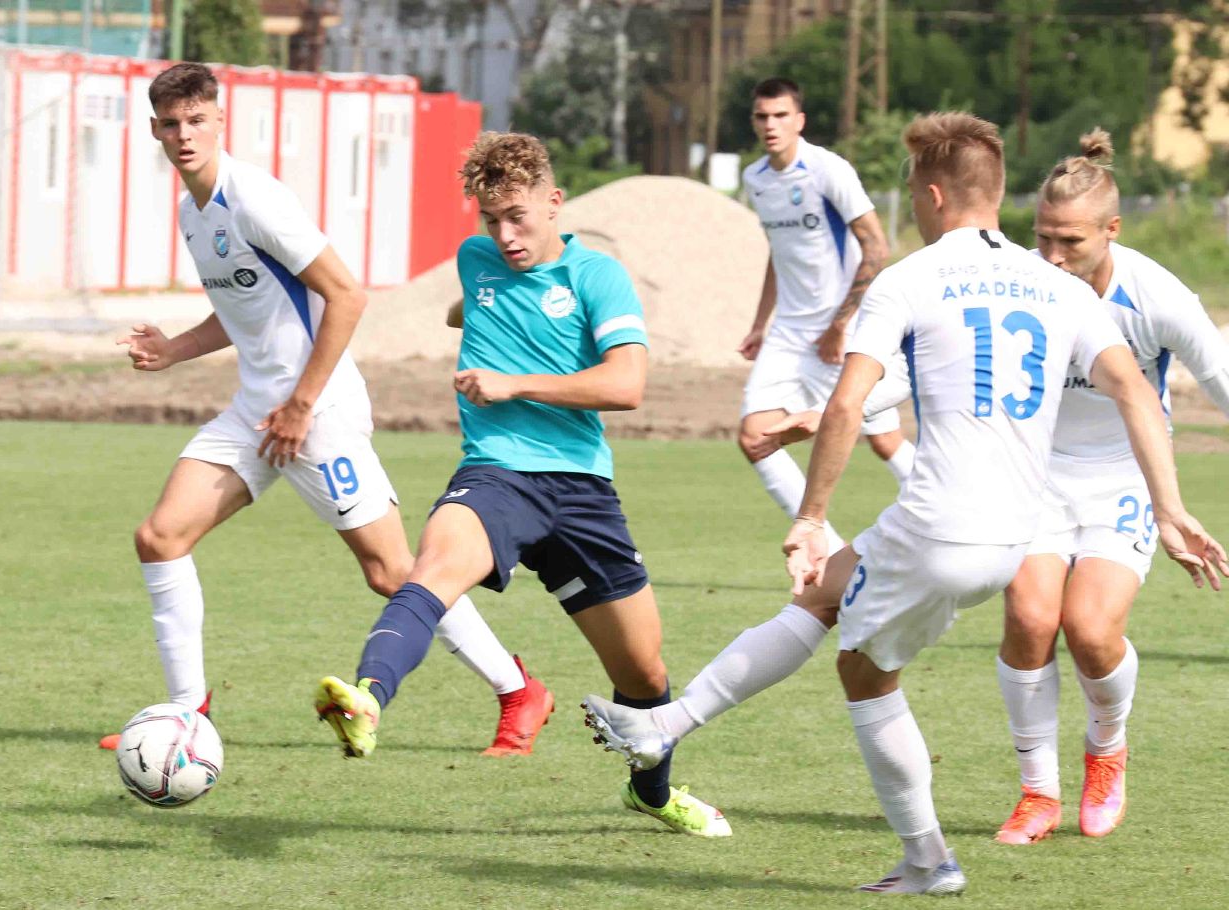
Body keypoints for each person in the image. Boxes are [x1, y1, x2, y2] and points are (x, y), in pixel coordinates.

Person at [586, 112, 1227, 892]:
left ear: (932, 195)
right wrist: (1173, 509)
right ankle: (666, 726)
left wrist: (810, 516)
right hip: (1014, 527)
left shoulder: (913, 278)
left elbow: (853, 401)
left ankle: (924, 856)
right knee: (834, 602)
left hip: (945, 525)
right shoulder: (1055, 287)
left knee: (862, 668)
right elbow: (1133, 389)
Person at [104, 62, 554, 758]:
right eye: (171, 124)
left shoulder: (256, 198)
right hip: (260, 411)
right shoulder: (195, 213)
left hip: (319, 413)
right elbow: (245, 310)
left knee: (393, 572)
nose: (185, 135)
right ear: (155, 131)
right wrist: (174, 350)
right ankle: (188, 715)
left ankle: (519, 691)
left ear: (219, 120)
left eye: (196, 120)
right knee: (160, 537)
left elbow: (347, 295)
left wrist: (303, 404)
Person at [313, 131, 731, 838]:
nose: (504, 236)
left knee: (643, 671)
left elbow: (627, 384)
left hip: (582, 489)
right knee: (432, 569)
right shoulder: (476, 259)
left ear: (554, 203)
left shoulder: (598, 277)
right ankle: (367, 699)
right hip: (497, 474)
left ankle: (652, 793)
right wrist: (474, 313)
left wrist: (515, 382)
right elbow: (474, 300)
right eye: (491, 219)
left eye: (518, 217)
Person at [993, 130, 1229, 844]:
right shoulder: (1022, 282)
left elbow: (1220, 378)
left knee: (1092, 632)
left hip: (1125, 477)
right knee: (1030, 619)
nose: (1052, 255)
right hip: (1035, 477)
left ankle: (1107, 750)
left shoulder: (1157, 295)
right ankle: (1038, 793)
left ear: (1112, 230)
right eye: (1042, 236)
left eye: (1070, 241)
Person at [737, 77, 914, 553]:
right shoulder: (756, 179)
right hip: (789, 333)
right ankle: (828, 548)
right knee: (755, 438)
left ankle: (958, 513)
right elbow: (779, 252)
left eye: (780, 115)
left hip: (844, 330)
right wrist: (760, 324)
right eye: (762, 116)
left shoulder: (827, 169)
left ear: (799, 120)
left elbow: (877, 246)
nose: (771, 125)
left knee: (884, 441)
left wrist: (840, 325)